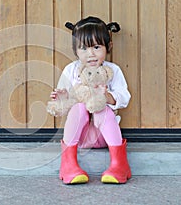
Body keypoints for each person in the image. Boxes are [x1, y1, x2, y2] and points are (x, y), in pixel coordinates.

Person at [50, 16, 131, 184]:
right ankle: (69, 164)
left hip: (104, 136)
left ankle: (119, 164)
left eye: (96, 47)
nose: (91, 54)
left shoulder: (112, 71)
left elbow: (124, 98)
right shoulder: (71, 70)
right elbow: (63, 104)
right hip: (79, 137)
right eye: (83, 49)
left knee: (102, 108)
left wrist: (106, 96)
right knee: (78, 107)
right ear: (75, 51)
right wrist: (61, 98)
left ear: (108, 47)